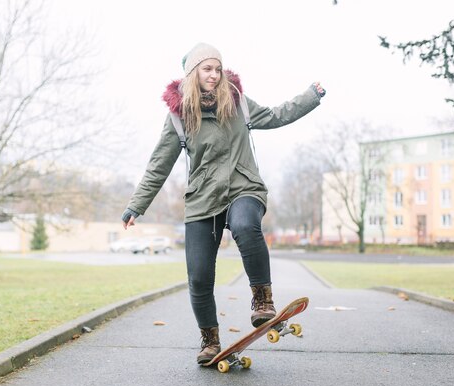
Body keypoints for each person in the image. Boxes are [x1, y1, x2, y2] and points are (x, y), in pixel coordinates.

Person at [121, 42, 325, 365]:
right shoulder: (178, 118)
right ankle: (209, 338)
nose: (215, 75)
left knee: (245, 224)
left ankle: (262, 300)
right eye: (207, 69)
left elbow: (276, 115)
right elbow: (159, 164)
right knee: (199, 276)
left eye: (218, 68)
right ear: (193, 74)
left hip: (244, 187)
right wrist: (136, 205)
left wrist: (310, 96)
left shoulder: (238, 102)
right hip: (203, 199)